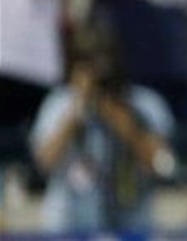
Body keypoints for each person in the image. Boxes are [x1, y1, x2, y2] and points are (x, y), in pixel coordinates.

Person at [30, 28, 176, 233]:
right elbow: (44, 162)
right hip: (70, 228)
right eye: (90, 65)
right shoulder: (59, 104)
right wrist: (76, 112)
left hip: (132, 228)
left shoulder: (145, 104)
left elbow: (163, 166)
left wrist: (125, 124)